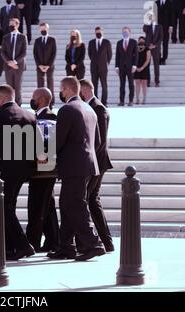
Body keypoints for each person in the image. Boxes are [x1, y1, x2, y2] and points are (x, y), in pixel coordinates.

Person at [47, 77, 105, 261]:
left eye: (61, 89)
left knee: (75, 204)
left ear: (66, 89)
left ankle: (93, 244)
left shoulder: (67, 109)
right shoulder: (89, 109)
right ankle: (66, 246)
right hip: (87, 164)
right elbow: (97, 141)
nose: (60, 93)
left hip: (74, 165)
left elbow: (58, 139)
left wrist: (44, 153)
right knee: (67, 204)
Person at [0, 85, 37, 260]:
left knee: (2, 207)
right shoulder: (30, 116)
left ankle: (22, 245)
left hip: (3, 169)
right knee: (9, 206)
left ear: (1, 98)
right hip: (24, 169)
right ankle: (10, 246)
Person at [79, 79, 114, 252]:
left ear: (84, 91)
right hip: (95, 162)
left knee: (88, 198)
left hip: (97, 163)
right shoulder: (93, 107)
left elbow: (99, 141)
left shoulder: (98, 109)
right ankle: (106, 241)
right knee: (91, 199)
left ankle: (103, 241)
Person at [26, 87, 59, 252]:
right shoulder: (46, 117)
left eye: (33, 98)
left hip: (43, 167)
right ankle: (53, 240)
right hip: (45, 167)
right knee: (47, 205)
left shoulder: (47, 118)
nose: (31, 101)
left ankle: (33, 241)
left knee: (36, 205)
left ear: (39, 99)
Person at [1, 18, 27, 106]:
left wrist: (15, 62)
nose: (11, 26)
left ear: (17, 25)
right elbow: (3, 52)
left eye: (13, 24)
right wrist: (9, 62)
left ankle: (18, 105)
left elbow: (24, 52)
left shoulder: (23, 37)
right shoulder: (5, 37)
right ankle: (10, 105)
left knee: (18, 87)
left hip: (18, 66)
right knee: (9, 88)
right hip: (8, 66)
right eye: (10, 24)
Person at [88, 26, 112, 105]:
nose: (98, 33)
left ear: (102, 32)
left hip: (103, 67)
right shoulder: (91, 42)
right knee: (94, 85)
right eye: (97, 32)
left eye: (99, 32)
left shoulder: (106, 42)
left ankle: (104, 102)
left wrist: (105, 63)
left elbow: (110, 55)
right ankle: (95, 102)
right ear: (95, 33)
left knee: (104, 85)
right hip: (94, 67)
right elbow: (90, 54)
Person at [33, 23, 57, 105]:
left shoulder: (52, 40)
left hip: (49, 66)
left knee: (50, 85)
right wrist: (39, 65)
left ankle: (51, 103)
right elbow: (35, 53)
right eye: (42, 29)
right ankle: (40, 102)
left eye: (45, 29)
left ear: (48, 29)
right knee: (40, 85)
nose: (43, 30)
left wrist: (48, 65)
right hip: (39, 66)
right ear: (39, 29)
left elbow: (54, 53)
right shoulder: (37, 40)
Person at [115, 27, 138, 106]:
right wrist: (116, 66)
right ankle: (122, 101)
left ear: (129, 33)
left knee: (131, 84)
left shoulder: (133, 42)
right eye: (124, 32)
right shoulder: (119, 42)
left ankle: (131, 100)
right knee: (122, 84)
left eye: (126, 32)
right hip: (121, 67)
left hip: (130, 67)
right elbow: (117, 55)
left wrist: (135, 65)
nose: (125, 33)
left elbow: (136, 55)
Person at [144, 15, 163, 87]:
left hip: (156, 48)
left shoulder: (159, 26)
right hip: (148, 48)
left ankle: (157, 81)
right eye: (150, 17)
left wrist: (155, 45)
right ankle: (148, 81)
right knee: (147, 65)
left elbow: (161, 37)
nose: (151, 18)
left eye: (152, 17)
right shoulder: (148, 26)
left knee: (156, 65)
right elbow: (144, 30)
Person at [134, 36, 151, 104]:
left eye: (142, 41)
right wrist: (136, 67)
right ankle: (137, 99)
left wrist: (142, 67)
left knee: (144, 83)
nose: (141, 42)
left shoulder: (147, 49)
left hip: (145, 68)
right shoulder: (135, 48)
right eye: (140, 41)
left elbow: (148, 60)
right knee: (137, 83)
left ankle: (144, 99)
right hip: (136, 67)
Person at [156, 0, 174, 65]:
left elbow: (172, 15)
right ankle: (158, 58)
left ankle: (164, 59)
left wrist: (171, 26)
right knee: (158, 44)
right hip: (157, 28)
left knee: (165, 44)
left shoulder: (170, 3)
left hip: (166, 27)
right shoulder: (156, 3)